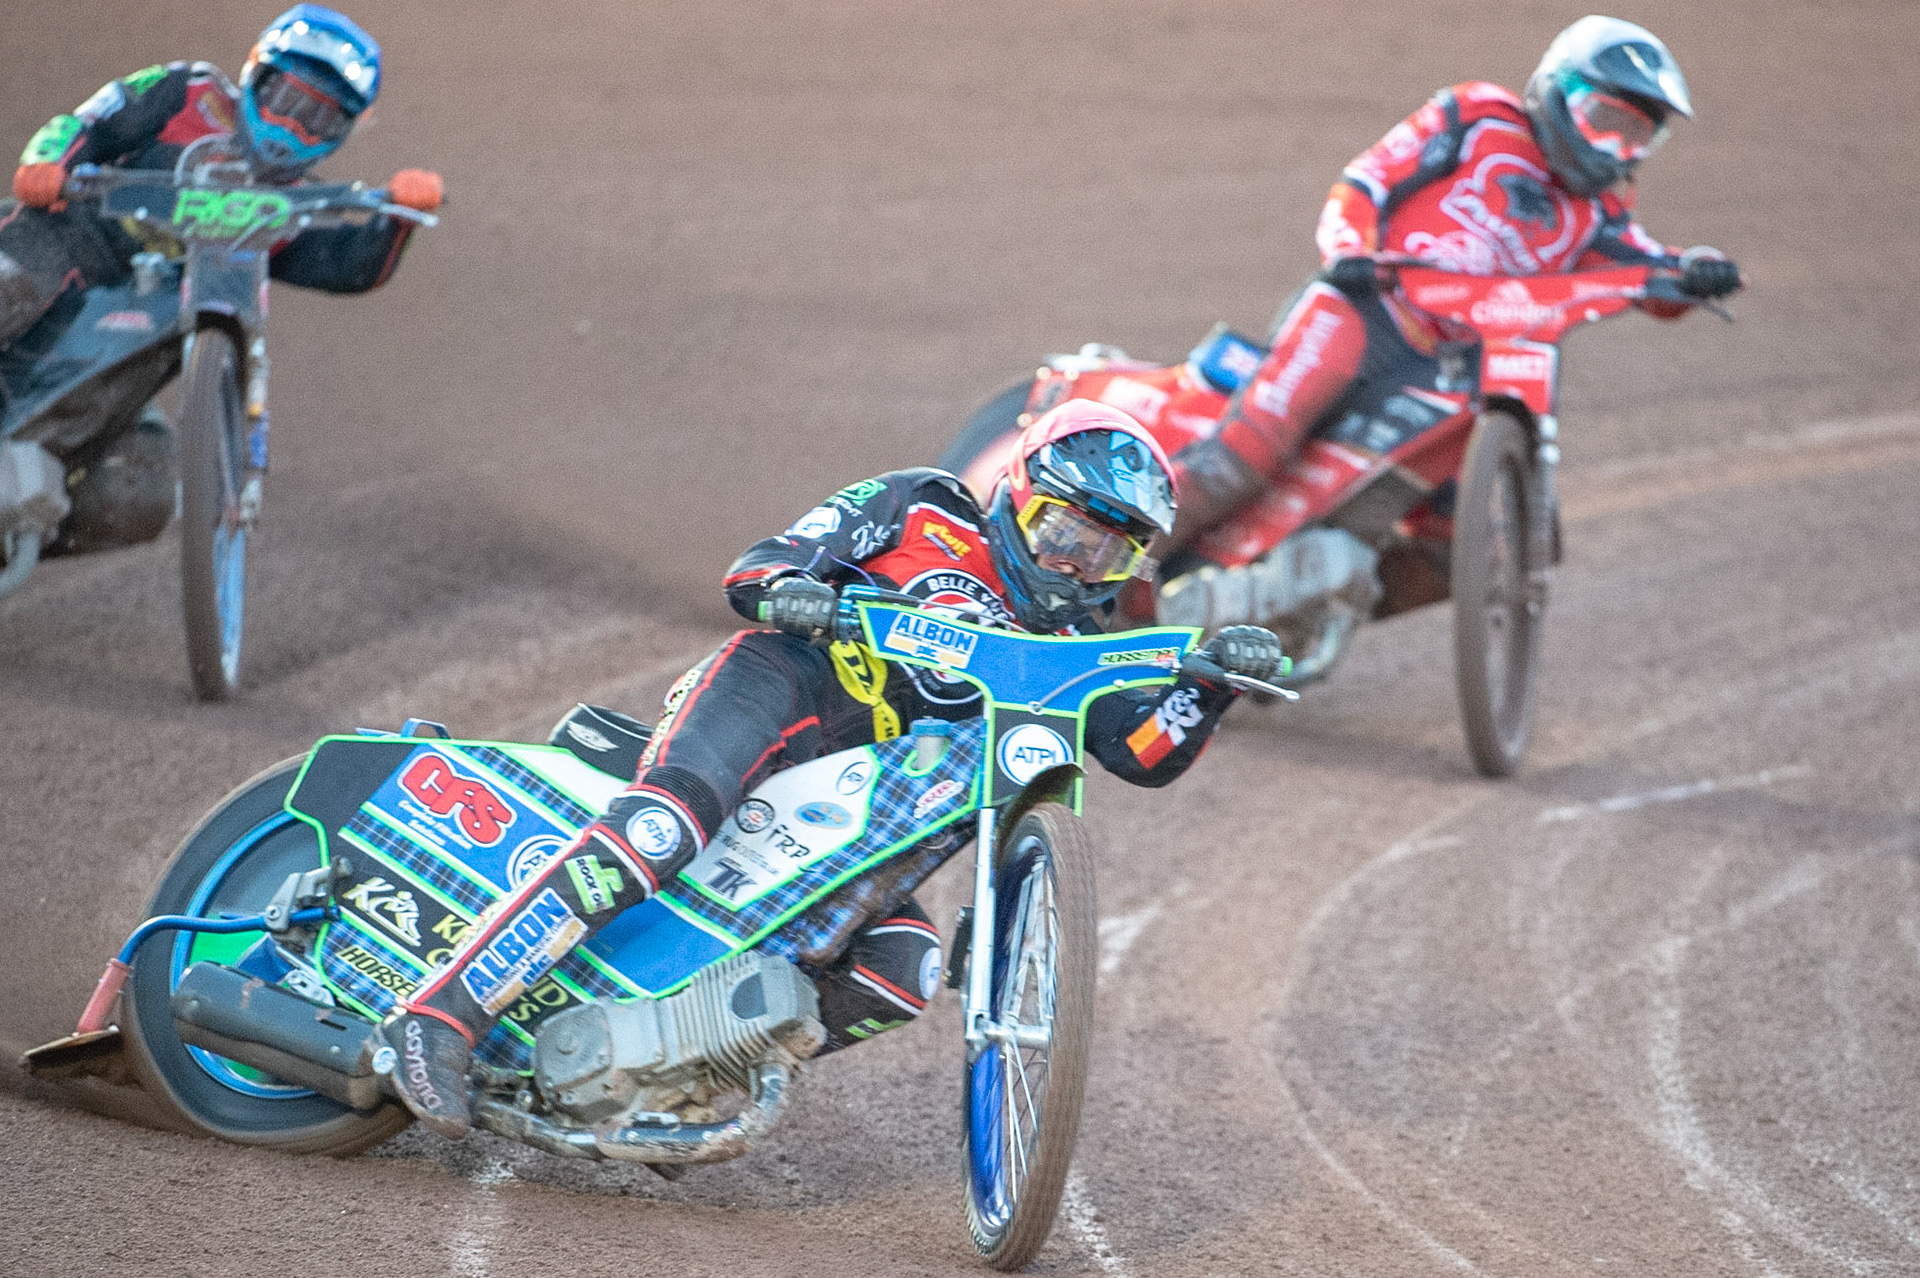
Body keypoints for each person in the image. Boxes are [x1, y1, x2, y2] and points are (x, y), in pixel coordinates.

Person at [377, 399, 1288, 1138]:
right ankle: (440, 1015)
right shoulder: (922, 506)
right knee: (660, 830)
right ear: (1016, 491)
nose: (1075, 562)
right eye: (1063, 528)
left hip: (855, 808)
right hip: (777, 693)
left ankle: (659, 1072)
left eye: (1108, 548)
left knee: (905, 969)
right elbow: (760, 568)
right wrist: (801, 594)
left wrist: (1211, 685)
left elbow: (1143, 752)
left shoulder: (1079, 642)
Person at [1162, 15, 1744, 573]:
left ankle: (1297, 605)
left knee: (1435, 534)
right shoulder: (1476, 117)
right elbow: (1367, 179)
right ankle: (1101, 588)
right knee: (1240, 463)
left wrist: (1698, 273)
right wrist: (1346, 250)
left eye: (1639, 137)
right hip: (1364, 312)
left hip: (1452, 369)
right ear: (1560, 90)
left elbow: (1654, 280)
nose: (1617, 152)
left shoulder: (1601, 215)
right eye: (1605, 122)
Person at [0, 4, 441, 349]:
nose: (290, 127)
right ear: (256, 75)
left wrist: (398, 217)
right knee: (8, 283)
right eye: (285, 99)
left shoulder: (292, 208)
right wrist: (48, 163)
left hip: (129, 328)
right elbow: (95, 120)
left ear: (342, 132)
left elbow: (346, 267)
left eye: (316, 119)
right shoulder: (188, 91)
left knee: (143, 456)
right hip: (60, 240)